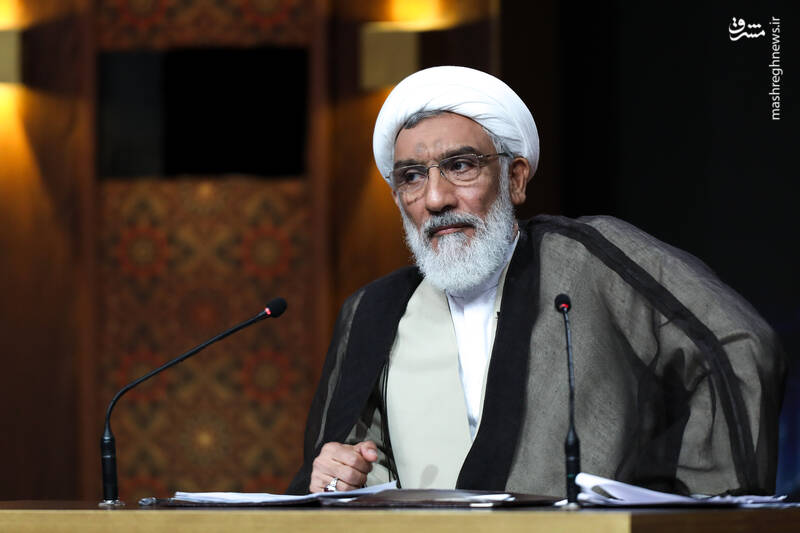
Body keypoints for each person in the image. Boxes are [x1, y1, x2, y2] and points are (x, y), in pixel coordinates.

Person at [287, 66, 785, 497]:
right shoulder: (374, 310)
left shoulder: (589, 259)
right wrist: (338, 475)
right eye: (412, 177)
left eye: (460, 166)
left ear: (516, 178)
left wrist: (684, 506)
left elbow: (736, 347)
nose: (436, 198)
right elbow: (357, 462)